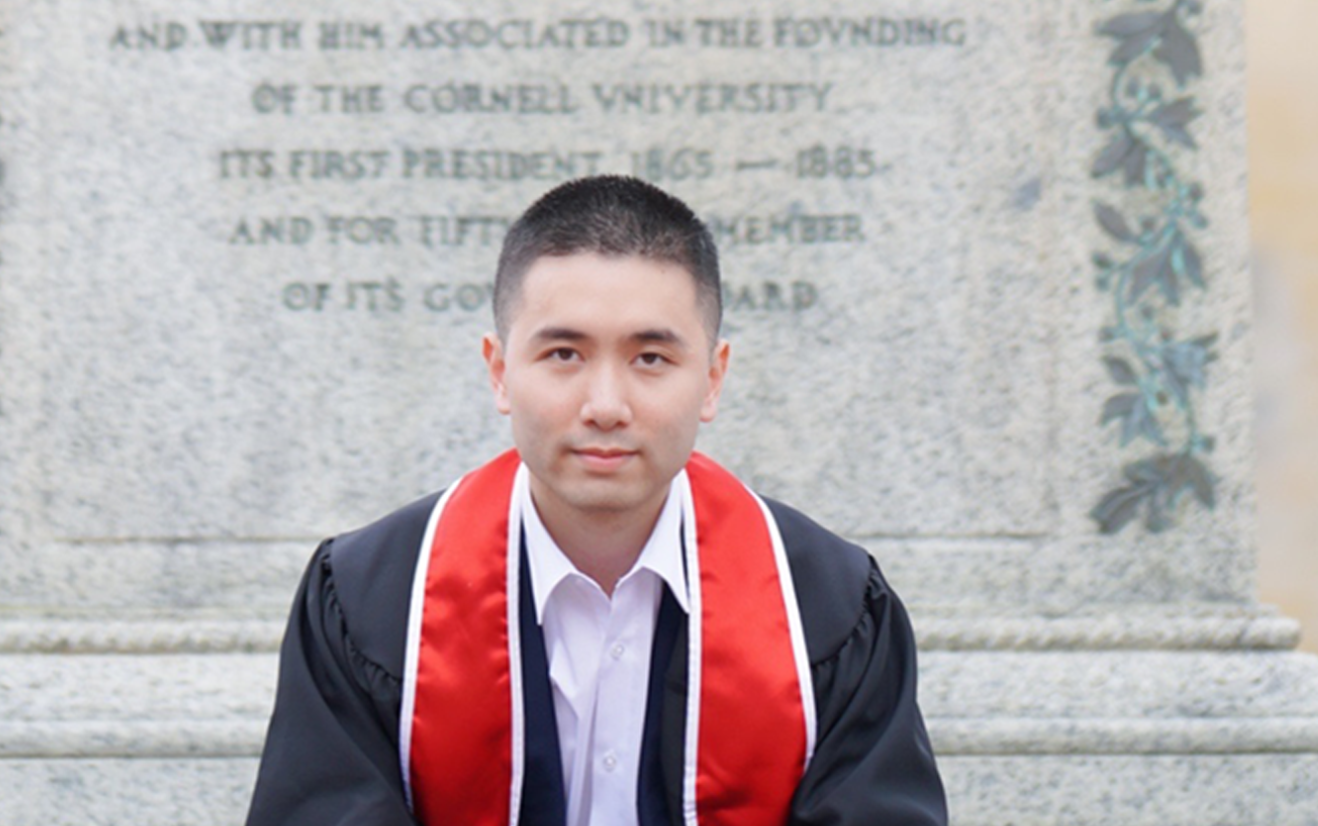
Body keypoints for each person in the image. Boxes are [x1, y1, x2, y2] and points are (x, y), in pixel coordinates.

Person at [245, 176, 946, 826]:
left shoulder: (828, 608)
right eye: (563, 355)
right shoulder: (369, 601)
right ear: (498, 371)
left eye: (650, 358)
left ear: (712, 378)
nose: (605, 406)